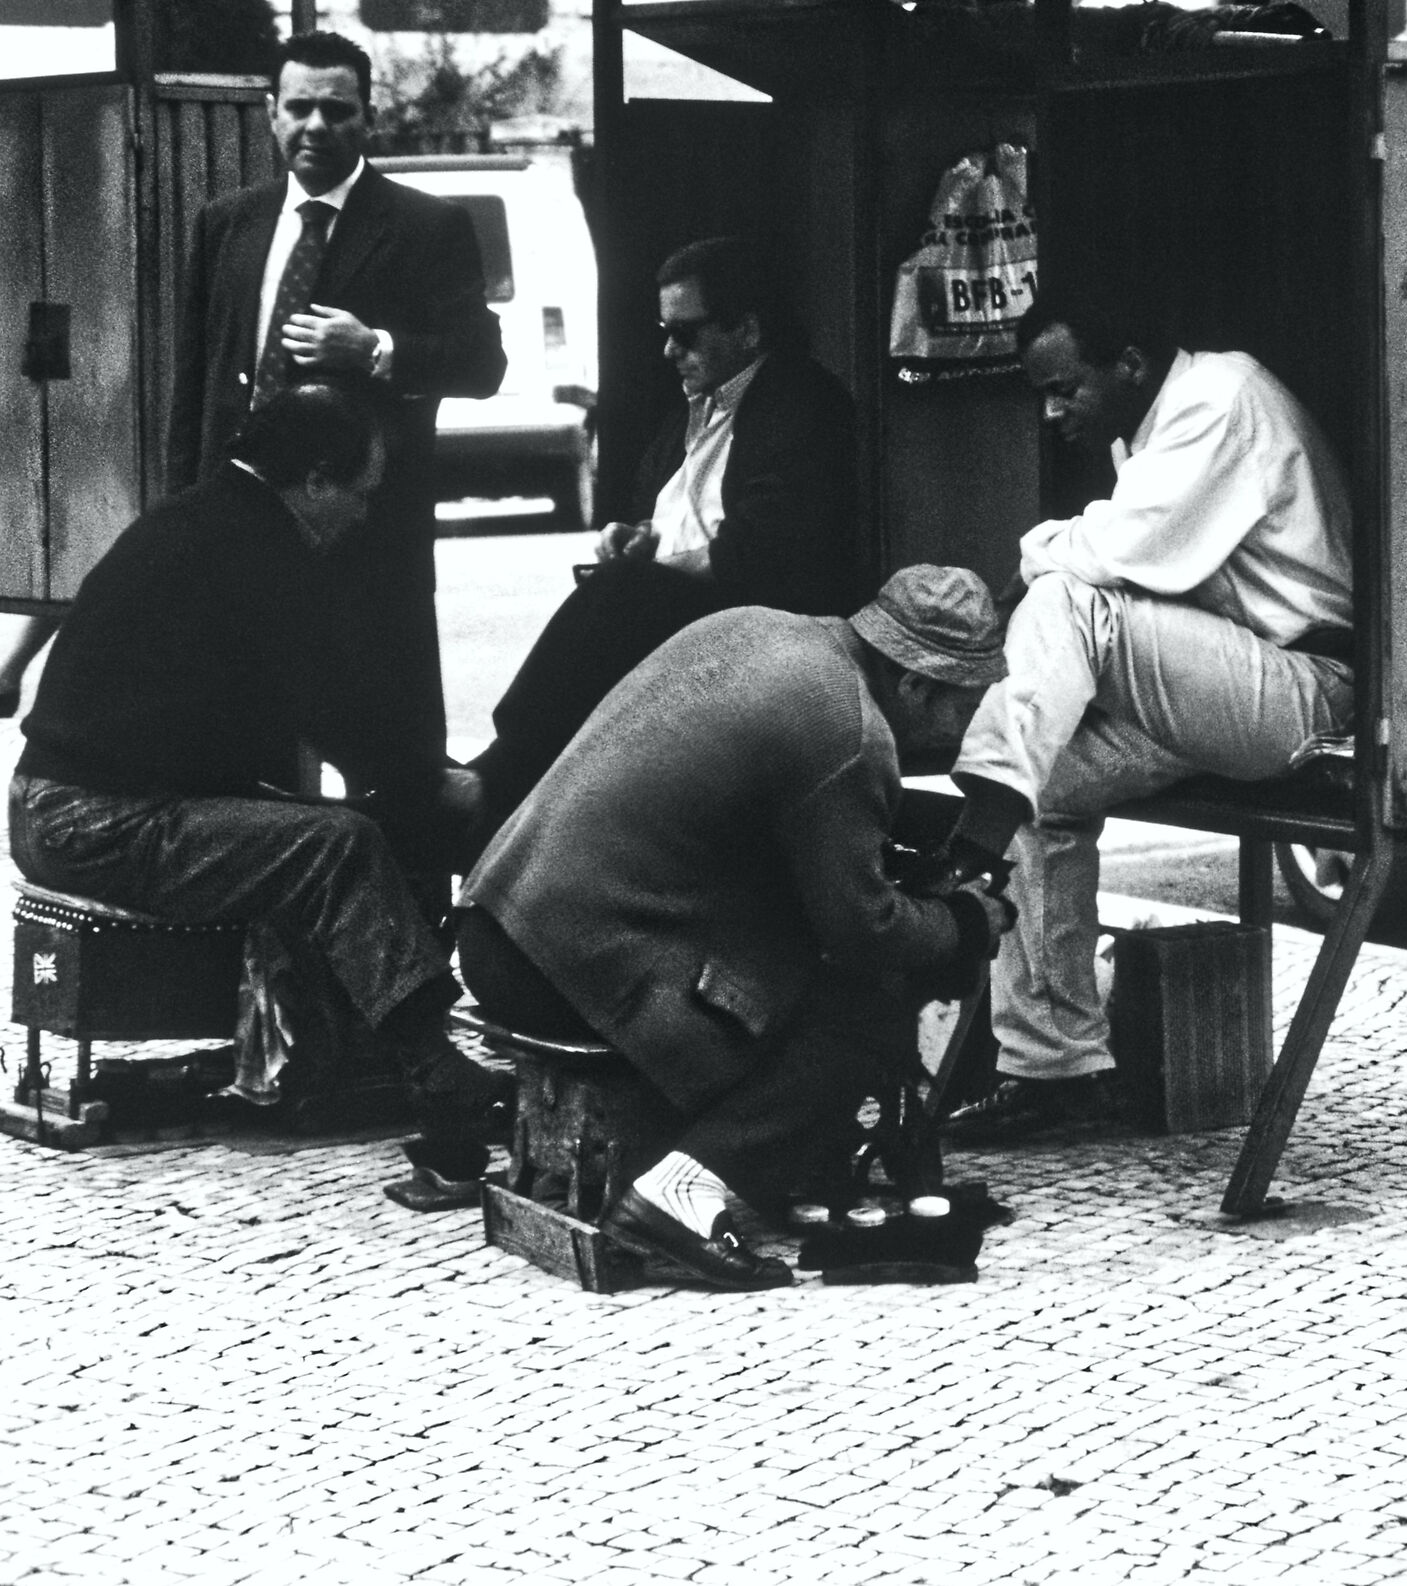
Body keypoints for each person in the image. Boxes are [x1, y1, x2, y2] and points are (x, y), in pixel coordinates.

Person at [457, 568, 1014, 1291]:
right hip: (563, 967)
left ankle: (785, 1166)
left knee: (796, 972)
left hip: (498, 927)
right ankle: (680, 1196)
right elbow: (866, 932)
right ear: (915, 685)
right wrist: (968, 921)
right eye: (965, 706)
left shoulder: (760, 627)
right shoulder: (848, 728)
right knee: (859, 1019)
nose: (965, 729)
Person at [10, 385, 506, 1194]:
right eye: (360, 491)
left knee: (333, 832)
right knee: (339, 843)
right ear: (314, 480)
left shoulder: (205, 519)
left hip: (71, 806)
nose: (365, 512)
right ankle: (435, 1064)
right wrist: (428, 784)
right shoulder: (260, 550)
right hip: (93, 821)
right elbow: (331, 707)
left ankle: (362, 1051)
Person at [940, 295, 1356, 1140]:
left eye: (1065, 389)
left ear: (1128, 363)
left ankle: (977, 820)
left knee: (1069, 596)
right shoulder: (1158, 423)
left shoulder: (1222, 396)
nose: (1053, 414)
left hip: (1300, 689)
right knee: (1044, 792)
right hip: (1216, 690)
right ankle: (1057, 1070)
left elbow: (1118, 551)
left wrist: (1029, 557)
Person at [159, 29, 504, 769]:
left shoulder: (426, 227)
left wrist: (376, 349)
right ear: (271, 113)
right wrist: (183, 512)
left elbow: (483, 364)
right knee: (244, 746)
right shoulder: (229, 224)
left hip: (367, 538)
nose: (318, 125)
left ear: (368, 118)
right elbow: (196, 383)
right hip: (241, 531)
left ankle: (405, 885)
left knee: (392, 754)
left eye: (338, 111)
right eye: (302, 107)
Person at [462, 236, 862, 828]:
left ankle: (500, 773)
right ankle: (514, 776)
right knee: (613, 592)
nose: (670, 349)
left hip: (756, 619)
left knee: (617, 594)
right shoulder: (695, 406)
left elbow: (759, 550)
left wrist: (647, 571)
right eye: (664, 330)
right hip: (690, 609)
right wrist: (643, 534)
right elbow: (686, 509)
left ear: (747, 330)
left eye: (688, 332)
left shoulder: (802, 406)